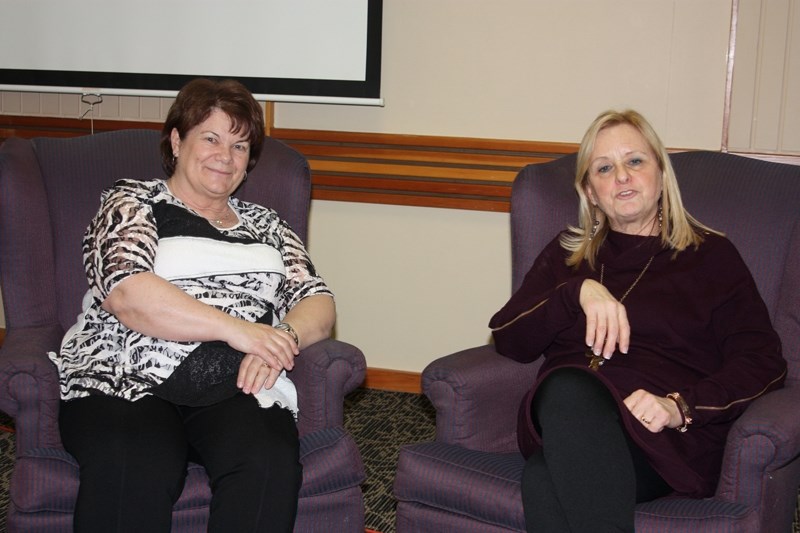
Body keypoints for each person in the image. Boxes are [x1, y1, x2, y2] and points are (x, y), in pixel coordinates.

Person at [49, 78, 336, 532]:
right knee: (138, 464)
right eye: (211, 138)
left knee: (267, 461)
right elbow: (128, 293)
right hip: (128, 375)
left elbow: (316, 300)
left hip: (235, 382)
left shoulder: (267, 224)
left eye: (240, 146)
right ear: (177, 141)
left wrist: (283, 336)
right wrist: (240, 331)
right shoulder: (131, 200)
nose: (226, 155)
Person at [489, 109, 786, 533]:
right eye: (604, 168)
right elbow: (508, 337)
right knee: (568, 389)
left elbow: (764, 361)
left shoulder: (711, 257)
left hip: (662, 439)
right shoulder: (566, 255)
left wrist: (681, 405)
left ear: (661, 176)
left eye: (635, 161)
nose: (622, 177)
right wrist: (576, 292)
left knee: (543, 478)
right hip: (569, 418)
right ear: (591, 192)